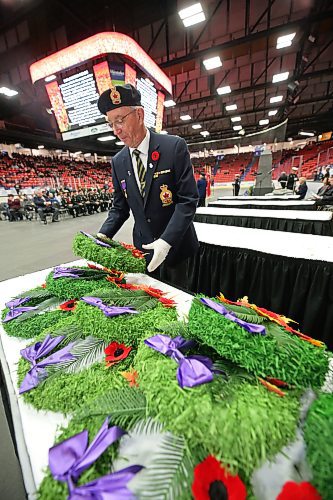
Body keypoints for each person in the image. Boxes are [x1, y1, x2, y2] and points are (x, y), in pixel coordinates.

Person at [96, 83, 199, 273]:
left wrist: (166, 241)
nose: (115, 130)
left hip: (178, 249)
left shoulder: (174, 147)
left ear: (140, 115)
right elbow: (120, 208)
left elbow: (188, 200)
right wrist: (102, 235)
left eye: (119, 120)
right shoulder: (118, 161)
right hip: (143, 250)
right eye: (110, 124)